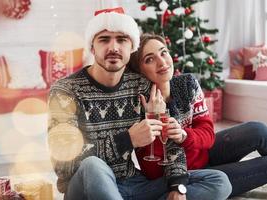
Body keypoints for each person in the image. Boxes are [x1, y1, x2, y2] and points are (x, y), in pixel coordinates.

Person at [48, 7, 231, 200]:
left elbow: (170, 142)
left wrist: (177, 185)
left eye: (122, 40)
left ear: (131, 48)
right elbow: (63, 164)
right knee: (92, 165)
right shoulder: (65, 91)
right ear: (92, 47)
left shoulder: (141, 86)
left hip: (132, 184)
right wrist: (127, 140)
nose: (114, 48)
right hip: (84, 187)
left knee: (218, 181)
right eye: (104, 40)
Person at [128, 33, 267, 198]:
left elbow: (208, 134)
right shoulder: (137, 104)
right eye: (149, 59)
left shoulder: (187, 84)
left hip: (203, 153)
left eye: (163, 52)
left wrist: (184, 135)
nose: (162, 62)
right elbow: (153, 171)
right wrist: (155, 119)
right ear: (139, 70)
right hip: (192, 177)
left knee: (257, 129)